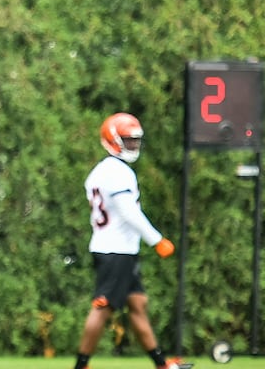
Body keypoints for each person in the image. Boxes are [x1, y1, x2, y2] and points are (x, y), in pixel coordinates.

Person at [73, 113, 182, 369]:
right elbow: (128, 211)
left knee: (138, 304)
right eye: (127, 140)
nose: (133, 145)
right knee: (103, 308)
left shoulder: (100, 171)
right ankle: (81, 366)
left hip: (115, 248)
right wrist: (157, 240)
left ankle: (161, 363)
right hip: (116, 251)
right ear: (113, 140)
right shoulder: (119, 172)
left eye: (135, 140)